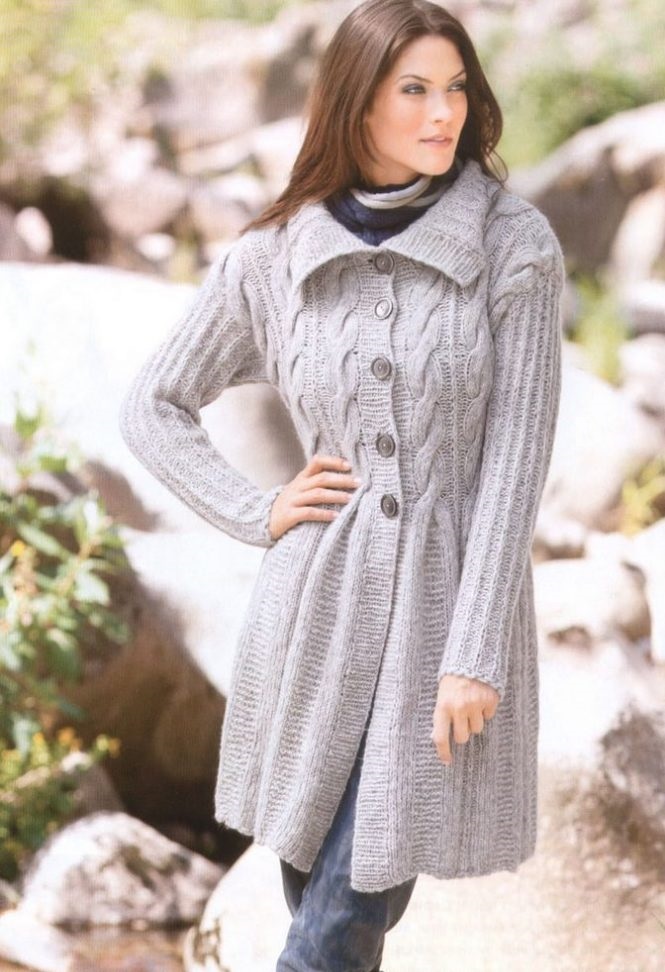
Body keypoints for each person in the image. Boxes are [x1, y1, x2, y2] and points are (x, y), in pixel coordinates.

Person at [118, 0, 566, 968]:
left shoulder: (512, 244)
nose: (444, 112)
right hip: (314, 614)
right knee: (316, 892)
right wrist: (257, 509)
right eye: (415, 90)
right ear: (355, 102)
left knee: (339, 919)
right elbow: (152, 405)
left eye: (456, 88)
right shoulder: (274, 255)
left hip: (440, 621)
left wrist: (475, 646)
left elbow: (514, 465)